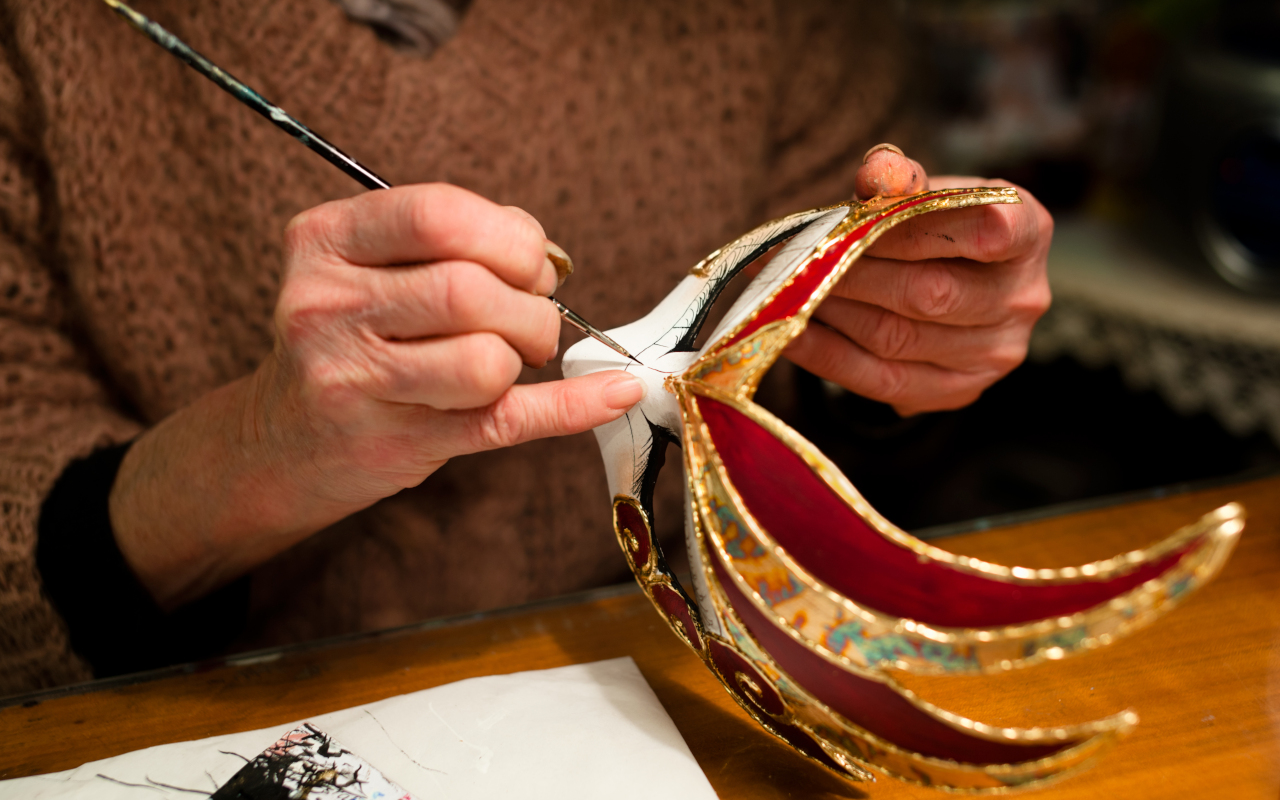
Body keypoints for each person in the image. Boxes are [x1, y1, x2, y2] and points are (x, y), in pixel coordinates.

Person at [0, 0, 1051, 695]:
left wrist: (906, 340)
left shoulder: (785, 33)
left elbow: (817, 428)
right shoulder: (56, 40)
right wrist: (259, 447)